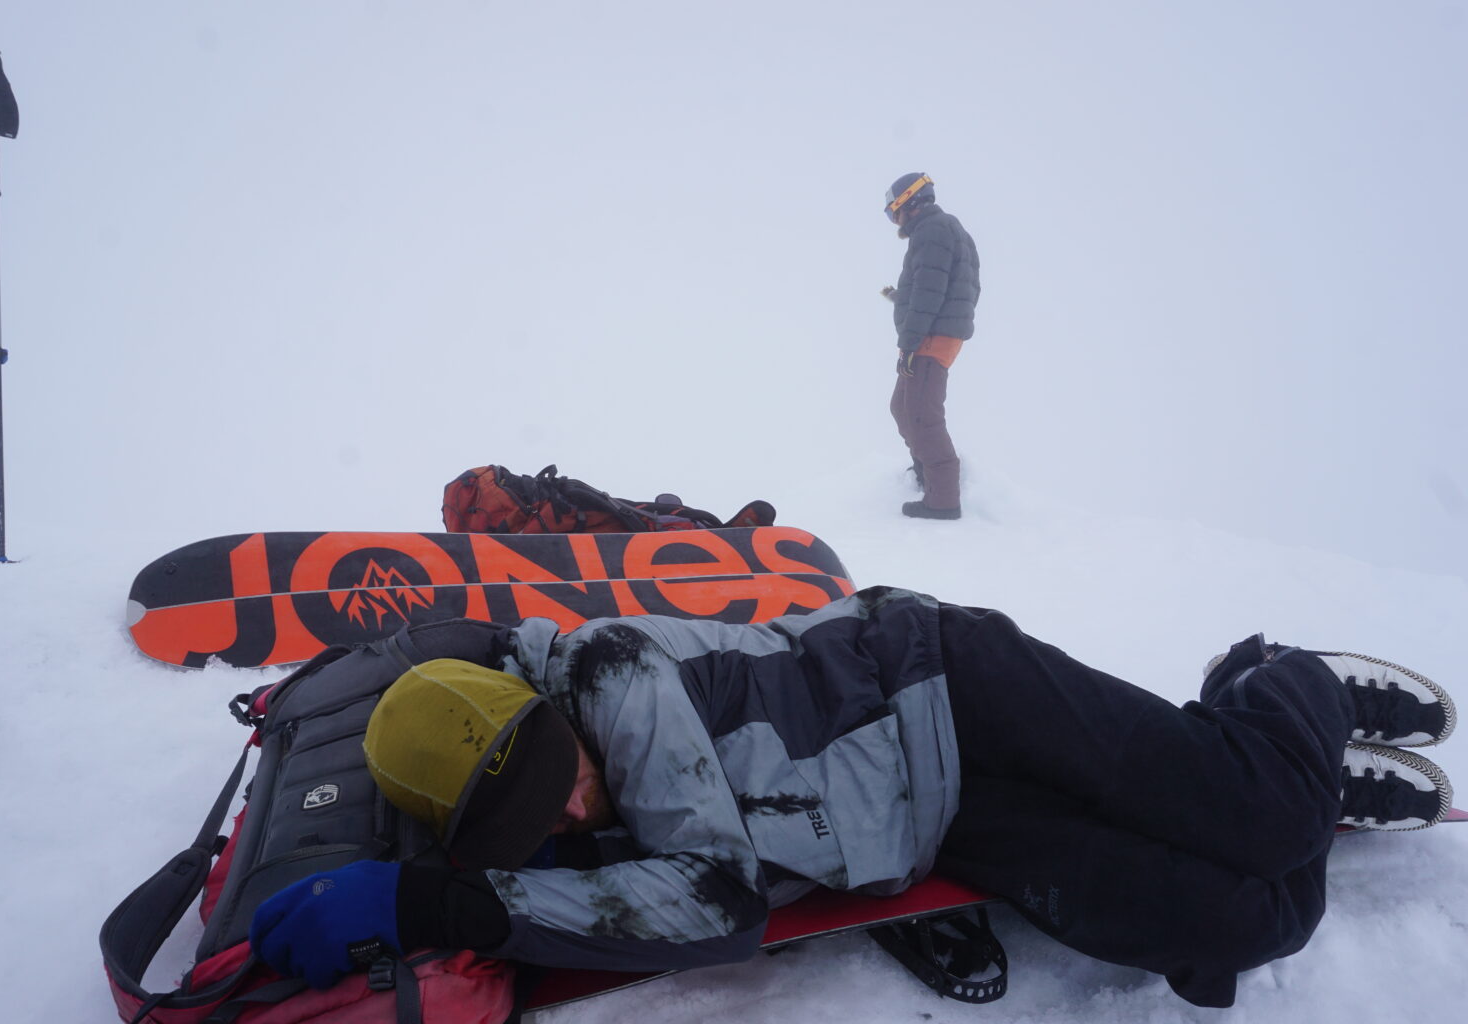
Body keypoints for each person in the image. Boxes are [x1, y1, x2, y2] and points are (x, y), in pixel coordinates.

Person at [249, 588, 1456, 1007]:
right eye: (533, 826)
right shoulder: (540, 791)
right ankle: (1272, 759)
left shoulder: (609, 674)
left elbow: (717, 901)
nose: (570, 815)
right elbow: (609, 868)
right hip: (934, 815)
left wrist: (435, 902)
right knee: (1255, 923)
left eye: (559, 779)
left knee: (1272, 823)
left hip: (945, 679)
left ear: (544, 710)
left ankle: (1283, 686)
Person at [882, 172, 980, 520]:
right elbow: (949, 286)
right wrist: (900, 298)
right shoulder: (946, 230)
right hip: (931, 333)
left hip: (928, 337)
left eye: (893, 211)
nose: (894, 220)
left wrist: (910, 343)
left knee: (922, 416)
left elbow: (930, 292)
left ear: (908, 203)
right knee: (902, 407)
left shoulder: (932, 231)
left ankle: (943, 501)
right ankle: (927, 474)